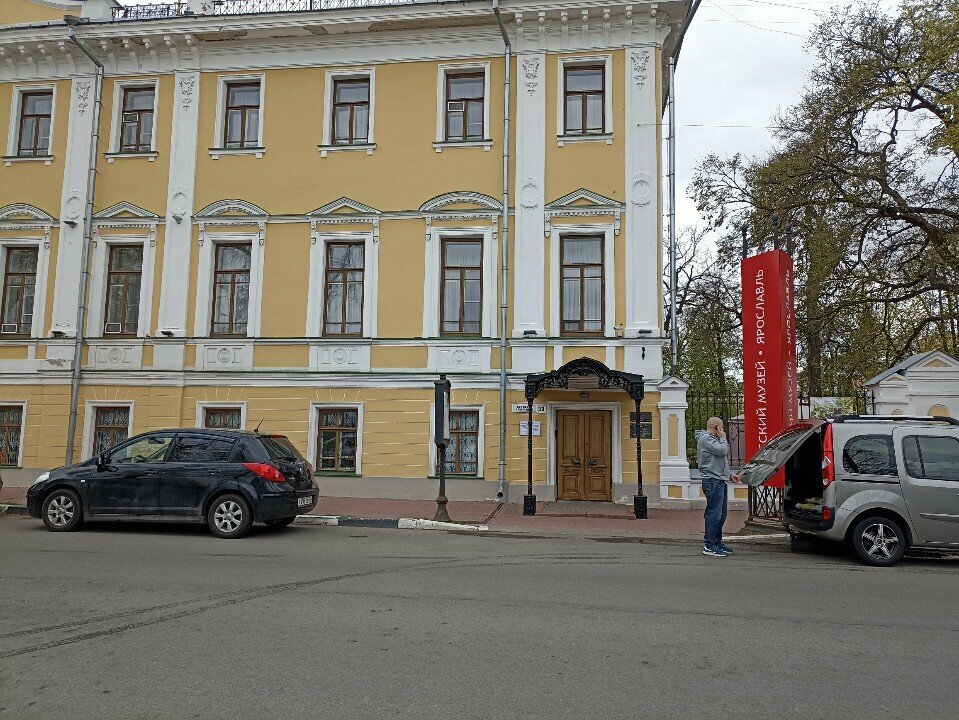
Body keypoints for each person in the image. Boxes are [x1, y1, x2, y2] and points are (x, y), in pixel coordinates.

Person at [695, 417, 740, 557]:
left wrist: (729, 474)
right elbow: (722, 451)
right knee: (714, 513)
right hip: (712, 480)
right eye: (722, 427)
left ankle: (716, 542)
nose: (723, 430)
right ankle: (709, 545)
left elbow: (721, 460)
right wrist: (723, 438)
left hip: (720, 479)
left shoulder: (714, 440)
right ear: (716, 427)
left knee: (721, 513)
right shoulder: (706, 439)